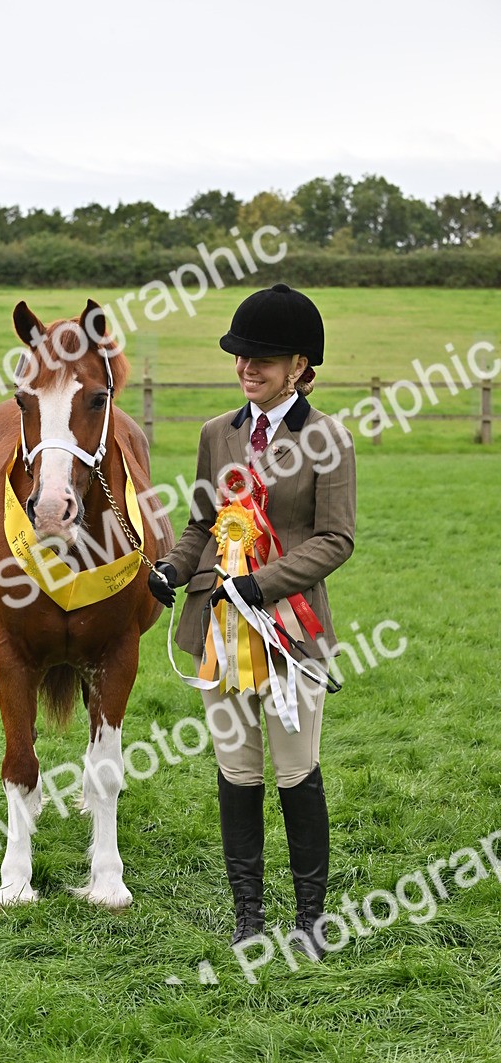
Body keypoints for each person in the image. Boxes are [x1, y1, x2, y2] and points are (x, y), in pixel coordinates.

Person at [148, 283, 356, 960]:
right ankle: (248, 918)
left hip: (289, 631)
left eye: (263, 357)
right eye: (241, 355)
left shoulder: (327, 439)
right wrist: (176, 570)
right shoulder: (218, 434)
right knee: (237, 771)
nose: (247, 367)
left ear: (300, 365)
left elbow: (335, 540)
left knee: (297, 771)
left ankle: (311, 919)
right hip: (220, 633)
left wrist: (257, 585)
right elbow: (203, 522)